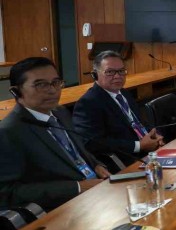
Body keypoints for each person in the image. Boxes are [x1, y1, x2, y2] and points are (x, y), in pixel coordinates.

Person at [0, 57, 109, 211]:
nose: (52, 90)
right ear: (16, 91)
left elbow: (75, 150)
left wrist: (95, 165)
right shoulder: (8, 132)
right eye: (40, 84)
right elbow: (6, 193)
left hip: (96, 192)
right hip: (63, 208)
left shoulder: (60, 112)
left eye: (55, 82)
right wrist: (77, 187)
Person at [72, 51, 163, 170]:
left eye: (121, 71)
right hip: (126, 160)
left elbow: (139, 122)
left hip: (149, 153)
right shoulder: (88, 102)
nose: (117, 76)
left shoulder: (124, 93)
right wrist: (139, 145)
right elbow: (93, 143)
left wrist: (155, 136)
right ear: (95, 74)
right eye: (110, 72)